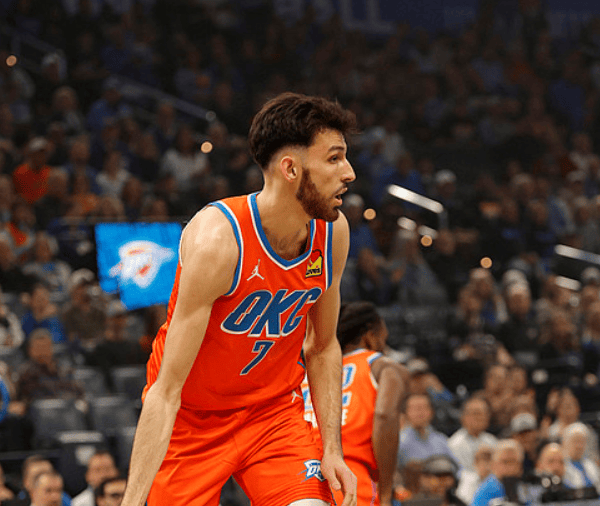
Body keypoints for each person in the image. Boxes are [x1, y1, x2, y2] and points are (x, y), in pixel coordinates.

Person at [120, 92, 358, 506]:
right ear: (290, 168)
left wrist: (332, 449)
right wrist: (131, 501)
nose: (349, 173)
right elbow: (166, 389)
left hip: (272, 416)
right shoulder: (218, 240)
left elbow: (322, 347)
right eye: (334, 159)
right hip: (192, 421)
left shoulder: (333, 233)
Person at [302, 301, 408, 506]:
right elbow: (385, 416)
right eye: (383, 339)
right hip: (349, 477)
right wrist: (386, 492)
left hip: (296, 479)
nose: (384, 347)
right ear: (370, 336)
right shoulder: (383, 366)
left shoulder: (309, 371)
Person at [398, 393, 458, 470]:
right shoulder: (399, 442)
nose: (420, 413)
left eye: (424, 408)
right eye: (415, 409)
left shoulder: (441, 439)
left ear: (431, 412)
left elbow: (457, 468)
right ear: (406, 413)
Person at [448, 396, 498, 471]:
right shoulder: (455, 444)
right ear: (463, 417)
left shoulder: (492, 440)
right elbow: (460, 473)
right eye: (476, 413)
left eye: (485, 413)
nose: (481, 417)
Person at [470, 439, 524, 506]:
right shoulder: (487, 490)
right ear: (494, 464)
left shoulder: (524, 486)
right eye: (505, 462)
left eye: (513, 461)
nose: (510, 466)